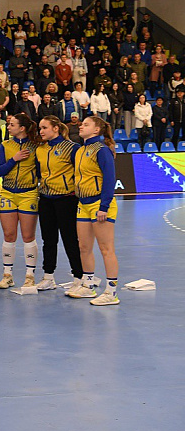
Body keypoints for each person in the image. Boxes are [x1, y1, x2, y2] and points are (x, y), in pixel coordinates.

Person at [66, 116, 120, 306]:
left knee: (106, 249)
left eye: (86, 124)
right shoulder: (80, 150)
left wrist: (104, 206)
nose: (81, 126)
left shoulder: (102, 150)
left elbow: (109, 179)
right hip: (83, 204)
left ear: (97, 130)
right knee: (84, 247)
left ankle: (111, 292)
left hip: (99, 204)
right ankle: (88, 286)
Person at [35, 116, 83, 291]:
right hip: (46, 199)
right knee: (48, 240)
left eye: (44, 127)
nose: (41, 131)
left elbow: (80, 172)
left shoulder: (72, 148)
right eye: (40, 128)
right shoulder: (40, 149)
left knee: (70, 239)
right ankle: (48, 276)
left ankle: (79, 277)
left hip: (66, 199)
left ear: (55, 128)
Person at [0, 113, 40, 289]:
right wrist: (14, 159)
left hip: (28, 193)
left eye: (12, 124)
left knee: (28, 236)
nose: (8, 126)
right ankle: (7, 275)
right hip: (8, 193)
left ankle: (30, 276)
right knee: (9, 235)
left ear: (22, 128)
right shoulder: (5, 145)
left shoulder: (35, 146)